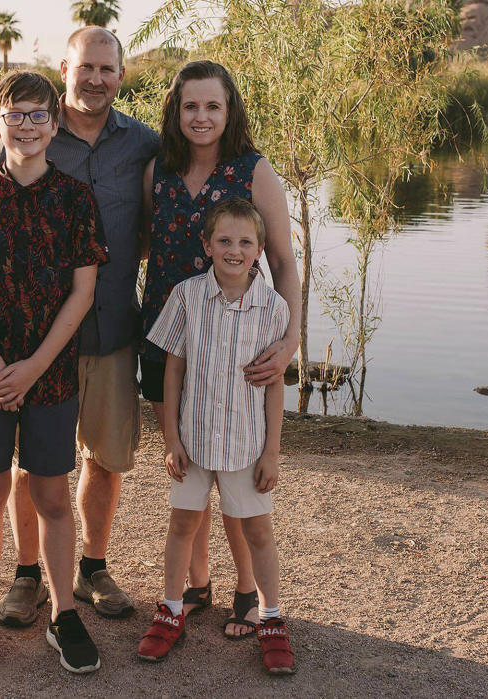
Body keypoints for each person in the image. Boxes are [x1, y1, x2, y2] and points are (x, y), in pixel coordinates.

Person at [0, 26, 159, 625]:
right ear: (65, 69)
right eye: (87, 67)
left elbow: (167, 224)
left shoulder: (144, 145)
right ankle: (27, 574)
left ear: (121, 75)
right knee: (33, 465)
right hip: (34, 340)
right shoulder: (31, 130)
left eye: (108, 69)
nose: (97, 79)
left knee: (105, 459)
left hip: (109, 330)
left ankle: (92, 568)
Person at [0, 70, 109, 675]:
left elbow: (82, 294)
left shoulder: (75, 200)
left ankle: (64, 613)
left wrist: (33, 368)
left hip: (52, 374)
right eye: (17, 114)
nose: (29, 125)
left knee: (51, 494)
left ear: (55, 124)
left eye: (40, 115)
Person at [139, 60, 301, 639]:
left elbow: (282, 261)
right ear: (175, 111)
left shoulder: (253, 172)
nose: (201, 117)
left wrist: (289, 341)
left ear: (229, 111)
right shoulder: (159, 169)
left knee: (235, 471)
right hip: (171, 334)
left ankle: (248, 592)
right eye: (190, 106)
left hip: (239, 342)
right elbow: (142, 243)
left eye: (213, 106)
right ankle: (194, 586)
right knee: (189, 463)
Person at [138, 197, 296, 674]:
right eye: (224, 241)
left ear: (259, 249)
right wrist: (171, 438)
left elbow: (272, 386)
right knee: (183, 523)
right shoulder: (186, 296)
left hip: (246, 444)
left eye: (245, 242)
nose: (234, 250)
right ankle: (170, 609)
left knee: (258, 532)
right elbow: (172, 370)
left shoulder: (273, 308)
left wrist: (272, 451)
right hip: (193, 439)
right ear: (206, 245)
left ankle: (270, 618)